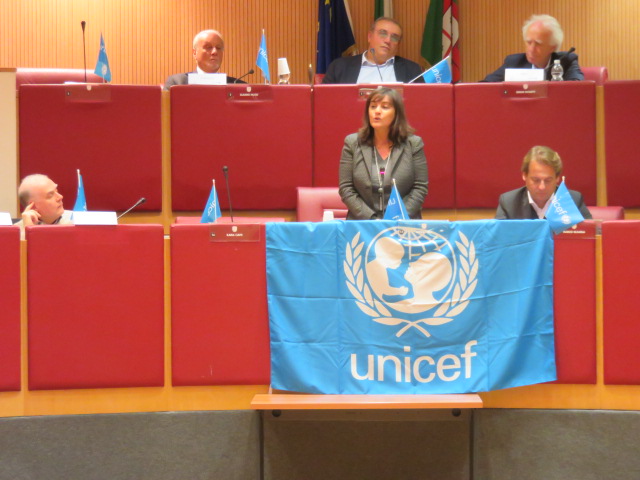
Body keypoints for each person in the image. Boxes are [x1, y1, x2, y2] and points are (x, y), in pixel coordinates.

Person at [339, 87, 428, 220]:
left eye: (385, 107)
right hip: (363, 224)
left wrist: (396, 218)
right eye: (373, 106)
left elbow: (420, 188)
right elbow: (346, 189)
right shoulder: (352, 143)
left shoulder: (413, 144)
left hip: (402, 223)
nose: (377, 111)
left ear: (396, 113)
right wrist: (373, 220)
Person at [495, 146, 592, 220]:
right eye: (536, 180)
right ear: (524, 175)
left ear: (557, 178)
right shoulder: (509, 203)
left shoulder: (572, 200)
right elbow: (497, 238)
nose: (542, 187)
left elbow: (593, 234)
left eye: (548, 180)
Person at [482, 14, 583, 82]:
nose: (531, 49)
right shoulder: (514, 62)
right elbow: (484, 86)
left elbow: (578, 89)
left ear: (553, 47)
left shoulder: (566, 61)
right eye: (529, 42)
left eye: (538, 44)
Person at [322, 17, 424, 84]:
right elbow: (324, 100)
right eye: (383, 33)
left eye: (394, 37)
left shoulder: (412, 70)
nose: (388, 40)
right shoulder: (339, 67)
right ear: (369, 37)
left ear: (398, 44)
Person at [164, 29, 244, 89]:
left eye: (218, 48)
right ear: (195, 53)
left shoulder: (238, 86)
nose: (214, 52)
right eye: (208, 47)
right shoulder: (177, 83)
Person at [16, 174, 72, 239]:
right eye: (50, 195)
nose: (60, 197)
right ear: (33, 206)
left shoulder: (76, 223)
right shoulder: (15, 234)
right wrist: (28, 233)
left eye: (57, 191)